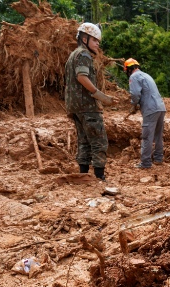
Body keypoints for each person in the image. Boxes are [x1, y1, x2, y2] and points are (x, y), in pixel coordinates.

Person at [64, 22, 116, 181]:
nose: (97, 44)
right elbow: (81, 77)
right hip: (87, 107)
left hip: (75, 107)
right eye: (95, 40)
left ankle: (84, 174)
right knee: (99, 141)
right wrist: (100, 96)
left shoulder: (73, 55)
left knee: (84, 141)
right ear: (84, 39)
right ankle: (99, 177)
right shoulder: (84, 55)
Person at [125, 58, 166, 169]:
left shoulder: (134, 77)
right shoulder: (146, 75)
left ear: (128, 70)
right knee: (158, 135)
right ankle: (158, 158)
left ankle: (146, 163)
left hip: (150, 109)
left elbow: (135, 94)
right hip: (160, 108)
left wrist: (134, 105)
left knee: (147, 136)